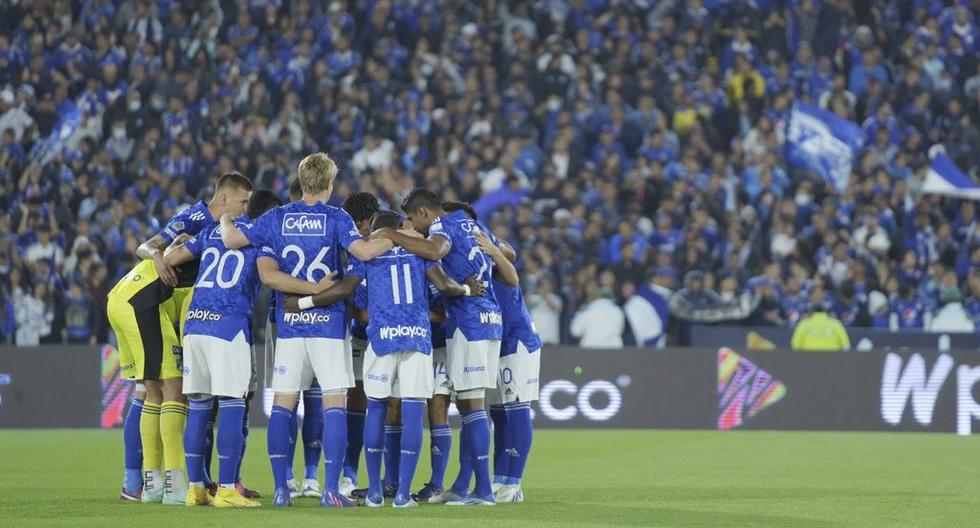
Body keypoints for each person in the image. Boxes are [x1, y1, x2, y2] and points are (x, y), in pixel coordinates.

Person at [219, 152, 394, 508]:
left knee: (284, 405)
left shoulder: (276, 217)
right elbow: (363, 250)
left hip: (290, 325)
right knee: (333, 406)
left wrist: (223, 216)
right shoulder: (336, 217)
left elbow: (232, 240)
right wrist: (394, 237)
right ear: (329, 185)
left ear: (300, 181)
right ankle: (331, 490)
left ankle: (282, 490)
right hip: (328, 325)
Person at [288, 210, 484, 507]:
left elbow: (346, 290)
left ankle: (377, 493)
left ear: (377, 233)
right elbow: (444, 287)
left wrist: (302, 302)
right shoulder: (420, 254)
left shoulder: (366, 257)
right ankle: (403, 494)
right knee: (413, 413)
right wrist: (470, 288)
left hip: (380, 340)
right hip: (416, 339)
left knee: (376, 411)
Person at [108, 171, 253, 504]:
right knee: (172, 389)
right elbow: (148, 246)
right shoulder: (197, 218)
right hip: (142, 301)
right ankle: (170, 483)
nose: (247, 208)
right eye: (243, 201)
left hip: (130, 298)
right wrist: (159, 256)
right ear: (224, 199)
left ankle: (139, 482)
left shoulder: (221, 228)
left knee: (147, 390)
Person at [373, 188, 504, 506]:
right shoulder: (473, 225)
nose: (414, 228)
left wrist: (391, 233)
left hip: (469, 322)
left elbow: (434, 250)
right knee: (473, 406)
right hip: (491, 318)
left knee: (472, 407)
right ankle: (467, 487)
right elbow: (506, 253)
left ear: (423, 214)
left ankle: (484, 490)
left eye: (414, 222)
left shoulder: (441, 227)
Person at [162, 190, 288, 507]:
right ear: (271, 215)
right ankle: (228, 488)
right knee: (233, 404)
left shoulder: (213, 230)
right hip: (228, 325)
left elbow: (171, 258)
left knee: (201, 407)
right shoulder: (264, 233)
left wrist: (177, 244)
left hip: (195, 325)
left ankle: (196, 489)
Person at [337, 191, 381, 497]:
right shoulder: (355, 249)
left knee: (388, 404)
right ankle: (349, 471)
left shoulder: (383, 245)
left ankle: (385, 478)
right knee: (356, 397)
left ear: (362, 223)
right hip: (361, 335)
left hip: (385, 334)